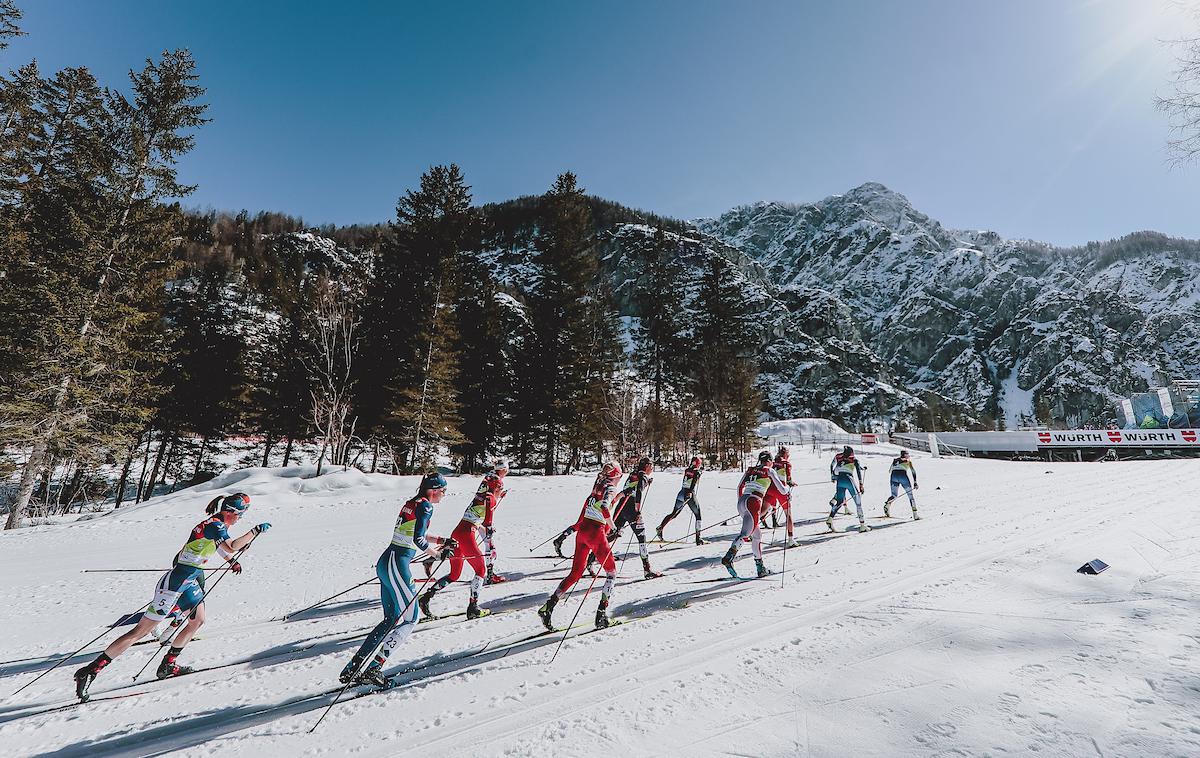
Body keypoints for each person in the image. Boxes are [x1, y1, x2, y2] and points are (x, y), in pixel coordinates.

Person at [73, 493, 269, 701]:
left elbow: (224, 548)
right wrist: (254, 531)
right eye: (240, 515)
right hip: (174, 584)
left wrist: (231, 561)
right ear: (232, 512)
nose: (241, 519)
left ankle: (168, 664)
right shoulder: (215, 525)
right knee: (139, 632)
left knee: (197, 621)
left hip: (189, 581)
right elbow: (232, 545)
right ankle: (90, 671)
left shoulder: (218, 526)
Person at [339, 473, 457, 687]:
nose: (443, 495)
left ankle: (353, 668)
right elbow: (418, 539)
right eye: (443, 491)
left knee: (391, 618)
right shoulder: (427, 506)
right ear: (434, 490)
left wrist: (442, 541)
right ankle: (374, 667)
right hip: (397, 563)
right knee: (411, 618)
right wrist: (438, 554)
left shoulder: (413, 503)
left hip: (388, 560)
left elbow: (417, 532)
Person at [419, 460, 509, 621]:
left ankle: (426, 597)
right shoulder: (490, 497)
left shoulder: (479, 498)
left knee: (454, 574)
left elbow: (477, 515)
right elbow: (489, 504)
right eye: (499, 489)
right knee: (481, 570)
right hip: (466, 535)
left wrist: (485, 525)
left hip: (458, 533)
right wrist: (488, 526)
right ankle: (473, 607)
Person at [538, 462, 623, 630]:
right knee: (612, 573)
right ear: (617, 476)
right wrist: (614, 528)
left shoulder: (597, 485)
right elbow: (605, 506)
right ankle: (602, 615)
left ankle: (549, 606)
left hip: (583, 532)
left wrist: (621, 496)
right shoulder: (610, 488)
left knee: (576, 573)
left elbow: (601, 501)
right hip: (596, 533)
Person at [720, 451, 787, 578]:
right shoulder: (769, 470)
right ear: (769, 460)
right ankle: (729, 557)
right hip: (754, 502)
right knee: (745, 534)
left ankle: (760, 568)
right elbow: (783, 491)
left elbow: (740, 487)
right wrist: (788, 488)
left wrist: (741, 502)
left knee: (757, 535)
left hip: (742, 501)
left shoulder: (751, 469)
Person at [607, 456, 663, 579]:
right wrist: (637, 511)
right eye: (652, 467)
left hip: (622, 507)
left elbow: (628, 489)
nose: (652, 469)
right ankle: (647, 570)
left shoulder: (634, 473)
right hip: (631, 508)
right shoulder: (642, 476)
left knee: (613, 533)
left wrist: (617, 499)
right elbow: (638, 492)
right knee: (641, 538)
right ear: (647, 466)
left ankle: (591, 560)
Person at [656, 455, 705, 545]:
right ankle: (698, 539)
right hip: (689, 494)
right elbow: (693, 483)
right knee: (698, 515)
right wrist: (698, 476)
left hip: (681, 493)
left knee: (674, 513)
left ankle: (660, 527)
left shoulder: (687, 470)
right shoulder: (697, 472)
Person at [826, 445, 868, 532]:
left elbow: (835, 471)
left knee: (840, 502)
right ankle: (862, 525)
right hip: (849, 479)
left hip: (840, 481)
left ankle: (830, 519)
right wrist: (861, 484)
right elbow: (858, 472)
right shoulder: (854, 460)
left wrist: (833, 477)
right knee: (858, 502)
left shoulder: (840, 460)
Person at [764, 446, 798, 546]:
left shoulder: (773, 462)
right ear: (786, 454)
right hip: (780, 489)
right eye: (788, 454)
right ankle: (791, 539)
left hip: (769, 487)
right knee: (788, 514)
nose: (789, 456)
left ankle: (750, 532)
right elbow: (788, 479)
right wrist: (792, 483)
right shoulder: (786, 463)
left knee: (762, 511)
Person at [884, 449, 920, 520]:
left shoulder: (895, 460)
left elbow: (890, 470)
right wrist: (915, 482)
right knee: (910, 495)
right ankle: (915, 515)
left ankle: (887, 505)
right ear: (905, 455)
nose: (908, 456)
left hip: (893, 476)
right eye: (908, 455)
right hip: (902, 476)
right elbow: (913, 471)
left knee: (894, 495)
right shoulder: (908, 461)